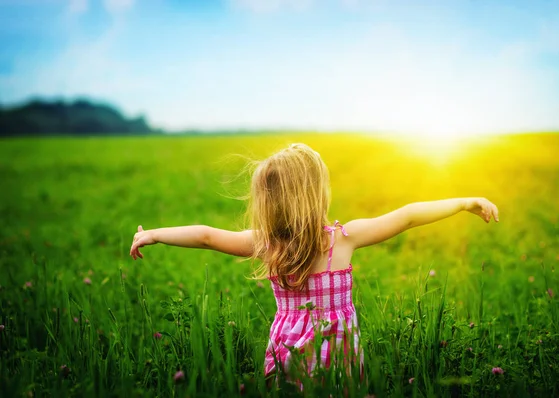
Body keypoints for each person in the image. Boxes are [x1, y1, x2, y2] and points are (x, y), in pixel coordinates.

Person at [129, 143, 499, 384]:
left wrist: (156, 233)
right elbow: (407, 216)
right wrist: (464, 201)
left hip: (285, 351)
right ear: (316, 193)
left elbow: (206, 235)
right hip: (337, 357)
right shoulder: (344, 238)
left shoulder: (266, 245)